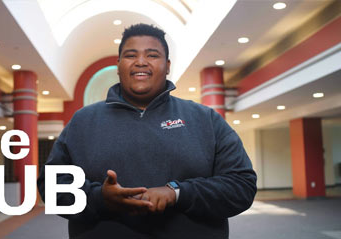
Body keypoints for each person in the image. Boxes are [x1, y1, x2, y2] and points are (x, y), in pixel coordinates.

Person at [37, 23, 257, 239]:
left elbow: (241, 185)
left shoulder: (205, 119)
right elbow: (51, 186)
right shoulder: (83, 121)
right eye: (131, 55)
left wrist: (177, 193)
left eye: (152, 55)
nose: (141, 62)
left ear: (167, 65)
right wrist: (100, 198)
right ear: (119, 64)